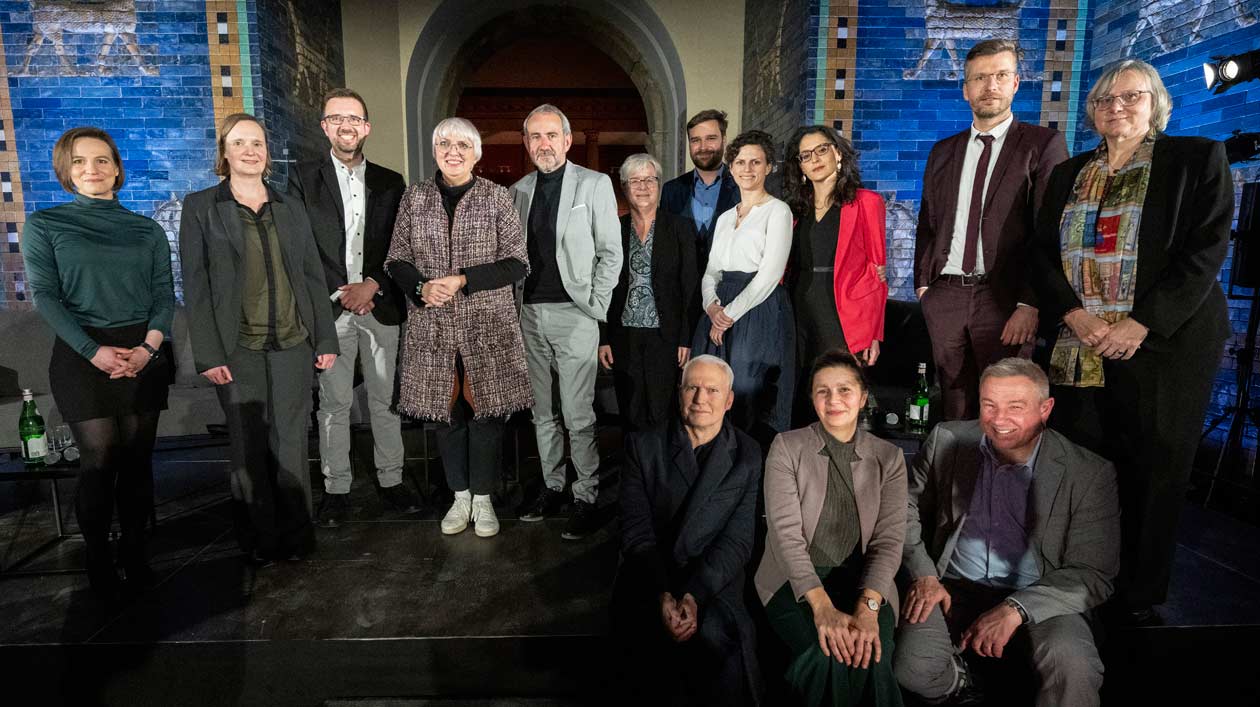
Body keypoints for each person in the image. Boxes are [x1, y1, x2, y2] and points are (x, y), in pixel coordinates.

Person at [1031, 58, 1234, 625]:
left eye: (1131, 97)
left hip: (1165, 343)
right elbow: (1042, 254)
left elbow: (1206, 249)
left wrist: (1139, 324)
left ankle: (1137, 596)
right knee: (1084, 464)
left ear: (1156, 103)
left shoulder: (1195, 159)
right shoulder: (1068, 173)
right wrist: (1074, 315)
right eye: (1104, 100)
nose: (1116, 107)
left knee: (1153, 468)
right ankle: (1081, 576)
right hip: (1081, 342)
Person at [893, 358, 1119, 707]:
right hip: (952, 585)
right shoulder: (947, 440)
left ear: (1046, 409)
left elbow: (1094, 574)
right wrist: (924, 575)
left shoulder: (1088, 472)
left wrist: (1015, 609)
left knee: (1073, 667)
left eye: (1015, 407)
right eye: (989, 405)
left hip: (1041, 595)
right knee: (913, 669)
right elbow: (903, 510)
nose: (999, 420)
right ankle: (961, 681)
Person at [180, 113, 338, 572]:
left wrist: (324, 337)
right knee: (248, 446)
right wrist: (207, 352)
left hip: (293, 342)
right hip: (236, 347)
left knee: (291, 441)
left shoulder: (290, 207)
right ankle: (258, 537)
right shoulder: (201, 206)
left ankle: (297, 534)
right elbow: (196, 284)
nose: (251, 150)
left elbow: (312, 275)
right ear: (224, 152)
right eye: (241, 142)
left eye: (259, 143)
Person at [22, 127, 174, 603]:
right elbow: (46, 297)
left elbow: (163, 297)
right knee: (99, 459)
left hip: (142, 351)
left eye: (103, 160)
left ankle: (134, 552)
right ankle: (97, 557)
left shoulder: (146, 229)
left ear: (117, 168)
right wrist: (94, 352)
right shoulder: (45, 224)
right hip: (81, 354)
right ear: (67, 170)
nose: (93, 169)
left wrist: (148, 350)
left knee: (136, 463)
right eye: (82, 161)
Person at [384, 117, 533, 539]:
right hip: (432, 324)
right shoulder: (415, 198)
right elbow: (395, 257)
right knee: (446, 410)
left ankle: (484, 498)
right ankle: (460, 495)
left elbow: (518, 262)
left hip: (488, 324)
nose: (453, 151)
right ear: (434, 151)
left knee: (485, 410)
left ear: (477, 153)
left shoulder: (496, 198)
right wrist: (420, 286)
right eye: (445, 143)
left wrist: (463, 278)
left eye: (463, 144)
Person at [914, 39, 1068, 420]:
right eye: (980, 78)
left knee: (1006, 406)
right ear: (966, 89)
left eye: (1000, 75)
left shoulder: (1042, 145)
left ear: (1016, 82)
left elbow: (1049, 231)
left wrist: (1030, 302)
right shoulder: (942, 152)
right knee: (952, 401)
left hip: (1004, 299)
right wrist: (923, 286)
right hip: (945, 294)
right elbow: (927, 223)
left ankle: (1002, 480)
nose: (990, 85)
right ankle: (958, 479)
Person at [287, 88, 418, 528]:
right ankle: (337, 488)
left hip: (381, 305)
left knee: (385, 401)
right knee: (334, 404)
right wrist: (342, 292)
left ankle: (392, 479)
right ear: (325, 126)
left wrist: (373, 285)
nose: (347, 125)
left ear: (367, 127)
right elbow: (300, 248)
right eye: (337, 118)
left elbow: (403, 244)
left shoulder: (391, 181)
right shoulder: (302, 180)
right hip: (331, 309)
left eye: (356, 119)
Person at [754, 350, 907, 706]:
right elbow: (785, 534)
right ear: (811, 398)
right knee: (825, 655)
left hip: (867, 582)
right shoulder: (786, 448)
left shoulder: (890, 458)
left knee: (872, 654)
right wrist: (821, 607)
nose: (833, 400)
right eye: (822, 391)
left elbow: (888, 540)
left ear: (863, 396)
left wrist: (868, 609)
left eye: (844, 390)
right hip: (793, 581)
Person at [613, 354, 763, 705]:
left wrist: (694, 595)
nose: (700, 399)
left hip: (712, 578)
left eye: (712, 390)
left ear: (728, 401)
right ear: (679, 393)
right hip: (653, 572)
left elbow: (738, 541)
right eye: (692, 388)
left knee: (716, 637)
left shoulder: (748, 454)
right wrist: (663, 593)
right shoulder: (644, 445)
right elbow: (636, 530)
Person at [510, 104, 622, 540]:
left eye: (551, 135)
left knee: (578, 414)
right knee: (542, 413)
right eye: (535, 136)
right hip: (528, 315)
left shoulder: (594, 184)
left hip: (576, 313)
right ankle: (553, 486)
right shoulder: (517, 190)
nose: (543, 144)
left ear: (567, 139)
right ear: (526, 143)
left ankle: (586, 494)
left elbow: (611, 252)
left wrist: (595, 305)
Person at [692, 129, 795, 444]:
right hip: (719, 307)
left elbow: (770, 275)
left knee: (748, 390)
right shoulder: (724, 218)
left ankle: (751, 472)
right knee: (709, 389)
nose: (747, 169)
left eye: (755, 162)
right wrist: (711, 306)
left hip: (758, 309)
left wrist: (729, 315)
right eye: (740, 162)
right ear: (731, 167)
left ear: (768, 167)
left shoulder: (778, 211)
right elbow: (711, 270)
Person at [781, 126, 887, 425]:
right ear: (799, 165)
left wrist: (873, 334)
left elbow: (877, 275)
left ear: (838, 153)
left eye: (822, 150)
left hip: (843, 310)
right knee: (801, 392)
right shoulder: (793, 210)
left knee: (836, 392)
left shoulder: (866, 202)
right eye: (805, 155)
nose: (814, 159)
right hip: (798, 307)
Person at [598, 153, 698, 432]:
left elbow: (689, 286)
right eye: (635, 181)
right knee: (629, 411)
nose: (642, 186)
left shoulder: (680, 228)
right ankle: (634, 472)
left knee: (662, 411)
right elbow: (602, 287)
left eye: (649, 179)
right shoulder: (613, 231)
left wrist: (685, 338)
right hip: (623, 336)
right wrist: (603, 337)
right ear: (625, 187)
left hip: (664, 337)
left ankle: (661, 472)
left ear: (659, 184)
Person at [661, 109, 741, 273]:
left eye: (711, 138)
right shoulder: (671, 190)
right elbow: (666, 248)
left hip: (727, 290)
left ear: (724, 140)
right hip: (682, 292)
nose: (703, 147)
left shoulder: (742, 187)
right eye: (695, 140)